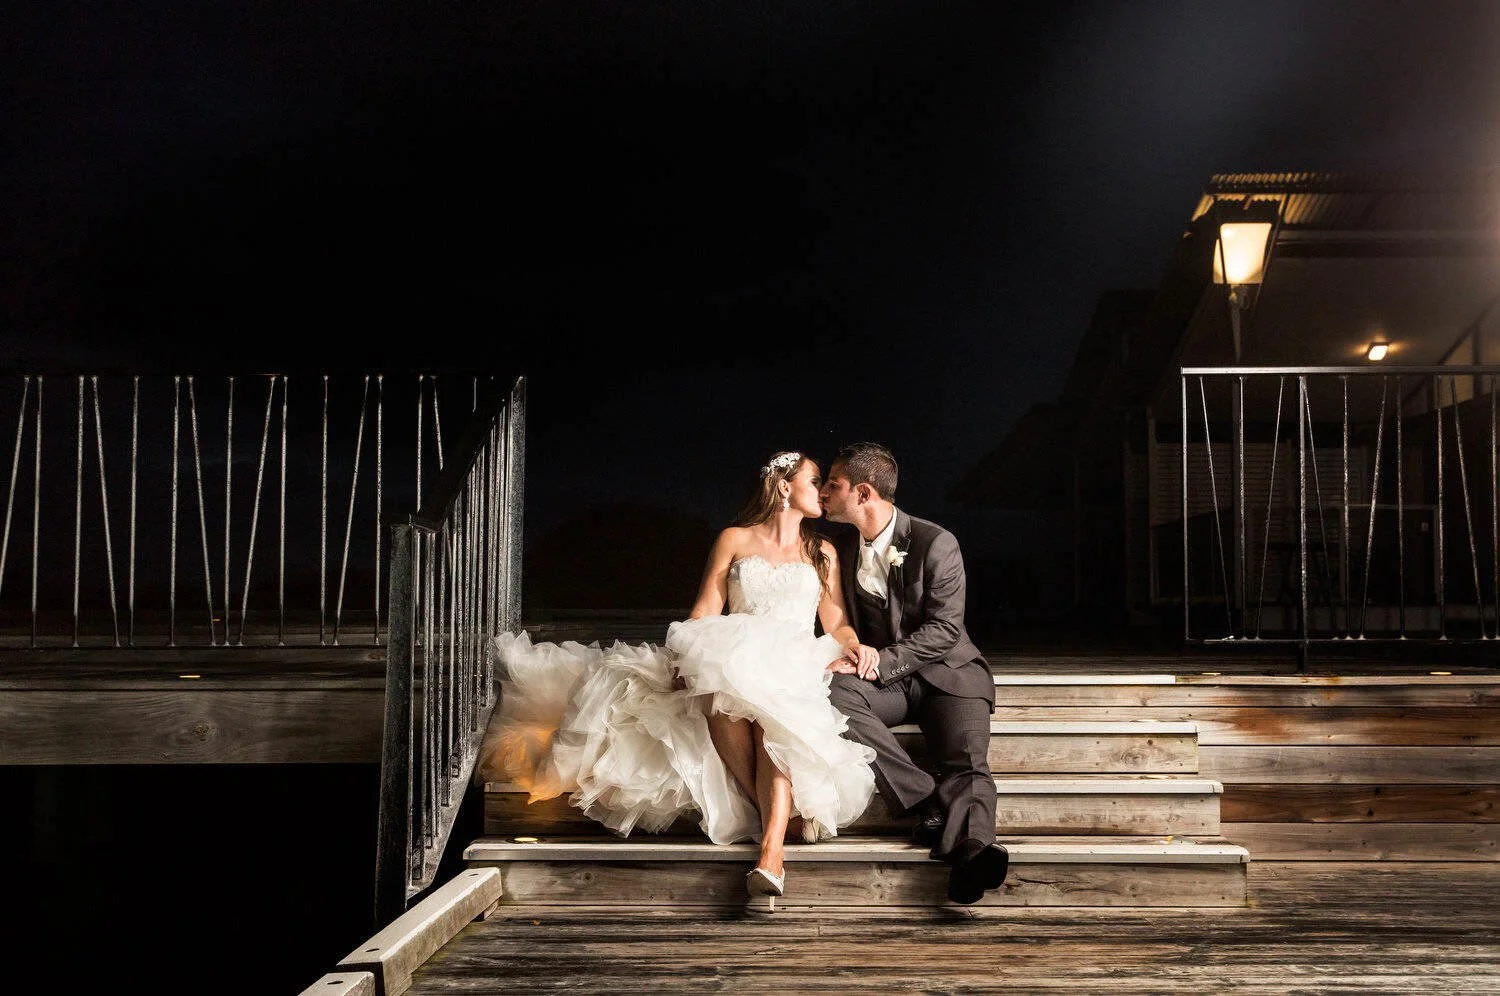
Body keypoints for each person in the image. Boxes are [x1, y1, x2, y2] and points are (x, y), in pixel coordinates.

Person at [480, 450, 877, 908]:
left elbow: (834, 618)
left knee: (775, 721)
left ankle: (771, 854)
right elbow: (707, 608)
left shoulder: (821, 550)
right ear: (785, 486)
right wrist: (685, 654)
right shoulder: (734, 539)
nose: (823, 491)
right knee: (717, 694)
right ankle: (780, 820)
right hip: (735, 647)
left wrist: (853, 644)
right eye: (814, 481)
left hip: (792, 655)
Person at [817, 441, 1009, 905]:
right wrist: (852, 652)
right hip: (890, 684)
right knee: (834, 695)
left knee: (966, 765)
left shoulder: (934, 542)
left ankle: (973, 855)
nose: (823, 491)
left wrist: (881, 660)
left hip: (951, 674)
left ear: (864, 493)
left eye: (833, 484)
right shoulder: (836, 549)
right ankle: (927, 803)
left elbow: (946, 629)